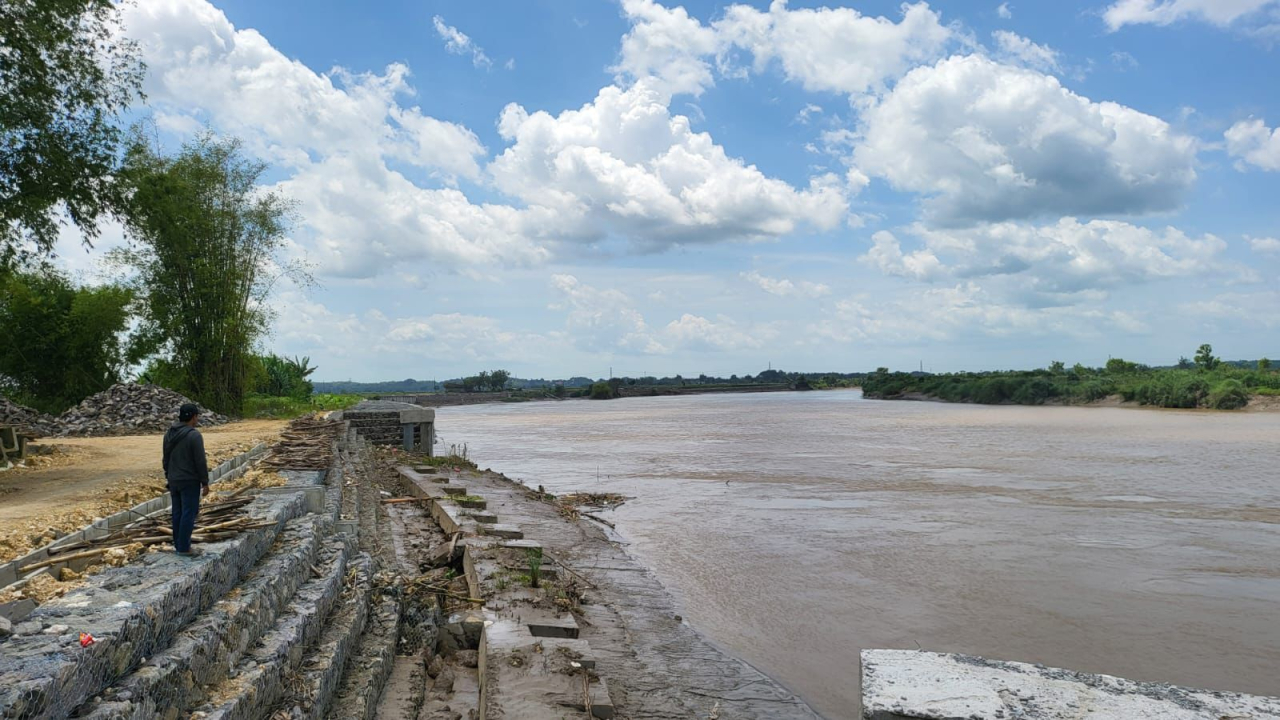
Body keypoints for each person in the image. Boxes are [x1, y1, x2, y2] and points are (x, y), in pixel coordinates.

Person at [163, 402, 210, 557]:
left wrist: (168, 475)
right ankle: (184, 548)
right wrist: (205, 482)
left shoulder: (169, 434)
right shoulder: (194, 435)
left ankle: (178, 544)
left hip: (174, 479)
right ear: (194, 417)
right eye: (197, 417)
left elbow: (166, 458)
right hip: (189, 480)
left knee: (177, 512)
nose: (197, 420)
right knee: (188, 513)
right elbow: (200, 461)